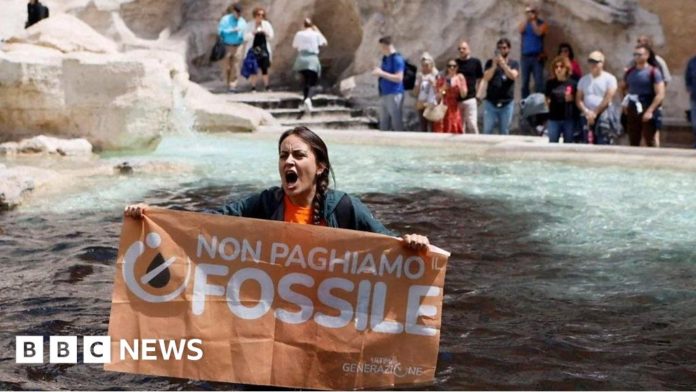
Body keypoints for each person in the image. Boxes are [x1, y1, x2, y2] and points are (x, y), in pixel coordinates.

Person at [124, 126, 430, 250]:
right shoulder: (266, 202)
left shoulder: (345, 207)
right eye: (283, 155)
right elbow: (209, 220)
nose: (289, 162)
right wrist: (155, 216)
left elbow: (390, 243)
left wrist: (413, 243)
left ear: (320, 166)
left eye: (298, 155)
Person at [621, 44, 665, 147]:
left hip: (647, 104)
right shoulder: (630, 72)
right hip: (633, 106)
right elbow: (622, 87)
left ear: (647, 55)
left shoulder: (654, 72)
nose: (637, 57)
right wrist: (625, 102)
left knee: (650, 139)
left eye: (639, 54)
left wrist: (650, 111)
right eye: (635, 54)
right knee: (633, 138)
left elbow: (660, 93)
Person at [576, 51, 618, 145]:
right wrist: (586, 112)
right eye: (590, 61)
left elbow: (608, 97)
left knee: (603, 141)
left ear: (602, 63)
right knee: (587, 141)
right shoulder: (583, 80)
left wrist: (595, 112)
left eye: (596, 62)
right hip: (587, 115)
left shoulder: (610, 79)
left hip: (603, 114)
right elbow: (578, 99)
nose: (593, 64)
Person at [480, 38, 519, 135]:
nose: (501, 50)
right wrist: (494, 66)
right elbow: (486, 77)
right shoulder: (490, 63)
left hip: (506, 103)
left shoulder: (514, 63)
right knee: (487, 130)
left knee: (504, 131)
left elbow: (513, 76)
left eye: (504, 48)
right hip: (491, 102)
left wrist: (504, 65)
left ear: (509, 49)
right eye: (499, 48)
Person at [292, 18, 328, 115]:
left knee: (304, 81)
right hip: (312, 59)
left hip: (301, 58)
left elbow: (295, 45)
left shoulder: (299, 34)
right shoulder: (315, 34)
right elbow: (324, 42)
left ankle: (306, 100)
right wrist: (317, 31)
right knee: (312, 81)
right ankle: (308, 99)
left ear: (303, 25)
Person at [372, 36, 405, 131]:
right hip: (384, 93)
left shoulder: (397, 59)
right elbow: (385, 74)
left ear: (386, 46)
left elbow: (399, 78)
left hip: (394, 93)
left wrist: (381, 73)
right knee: (383, 123)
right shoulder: (385, 59)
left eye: (381, 47)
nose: (380, 50)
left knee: (396, 122)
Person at [544, 56, 578, 143]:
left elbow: (578, 101)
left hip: (568, 119)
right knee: (553, 144)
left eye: (561, 66)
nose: (558, 69)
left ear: (567, 68)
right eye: (556, 67)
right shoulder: (550, 83)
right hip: (554, 118)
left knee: (568, 144)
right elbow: (547, 99)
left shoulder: (573, 83)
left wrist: (572, 99)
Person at [518, 3, 547, 98]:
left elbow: (538, 32)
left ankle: (539, 106)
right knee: (524, 82)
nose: (530, 14)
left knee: (539, 82)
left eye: (532, 12)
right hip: (525, 57)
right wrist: (527, 20)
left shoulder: (542, 24)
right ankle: (525, 106)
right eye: (527, 12)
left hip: (537, 57)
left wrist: (533, 21)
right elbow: (520, 30)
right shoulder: (525, 24)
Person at [243, 7, 274, 92]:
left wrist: (265, 33)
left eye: (262, 15)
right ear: (255, 15)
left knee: (265, 68)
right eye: (258, 14)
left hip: (264, 49)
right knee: (254, 68)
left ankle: (267, 86)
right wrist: (253, 33)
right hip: (254, 49)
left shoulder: (266, 24)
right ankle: (253, 87)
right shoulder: (249, 25)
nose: (260, 16)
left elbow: (271, 36)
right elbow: (245, 37)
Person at [455, 41, 484, 134]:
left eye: (464, 48)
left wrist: (478, 95)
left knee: (472, 124)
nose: (461, 50)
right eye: (459, 49)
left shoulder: (475, 62)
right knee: (459, 125)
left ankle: (477, 142)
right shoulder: (455, 64)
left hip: (471, 98)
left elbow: (481, 79)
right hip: (457, 99)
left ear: (469, 50)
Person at [217, 4, 246, 92]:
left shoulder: (242, 21)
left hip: (238, 45)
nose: (239, 16)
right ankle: (227, 83)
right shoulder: (225, 20)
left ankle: (233, 85)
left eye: (240, 14)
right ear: (234, 12)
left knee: (236, 66)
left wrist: (244, 35)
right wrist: (231, 31)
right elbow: (220, 31)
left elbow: (245, 31)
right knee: (227, 66)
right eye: (237, 13)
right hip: (227, 45)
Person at [433, 59, 467, 134]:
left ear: (457, 67)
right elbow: (438, 96)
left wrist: (460, 86)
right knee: (443, 128)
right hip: (444, 106)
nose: (452, 68)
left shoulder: (460, 78)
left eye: (454, 66)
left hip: (454, 106)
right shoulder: (442, 79)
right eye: (450, 66)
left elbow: (463, 95)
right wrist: (444, 88)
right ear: (447, 68)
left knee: (454, 126)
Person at [413, 53, 439, 132]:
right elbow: (415, 93)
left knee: (433, 126)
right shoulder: (419, 76)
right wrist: (419, 83)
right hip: (422, 104)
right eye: (423, 65)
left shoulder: (436, 75)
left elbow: (442, 91)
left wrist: (434, 84)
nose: (425, 67)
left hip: (432, 104)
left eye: (427, 65)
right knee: (423, 126)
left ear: (431, 65)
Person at [686, 54, 696, 148]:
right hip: (694, 97)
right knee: (695, 122)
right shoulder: (692, 62)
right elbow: (688, 77)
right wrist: (689, 88)